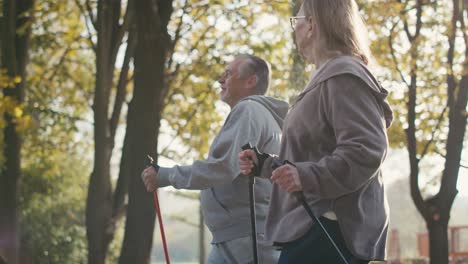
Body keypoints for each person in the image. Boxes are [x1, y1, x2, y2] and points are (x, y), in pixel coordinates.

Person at [239, 1, 394, 263]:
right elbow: (312, 155)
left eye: (296, 20)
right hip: (314, 225)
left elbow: (365, 150)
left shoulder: (344, 74)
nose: (294, 28)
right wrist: (265, 165)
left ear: (312, 25)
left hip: (328, 228)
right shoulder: (326, 77)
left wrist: (306, 176)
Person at [141, 54, 288, 264]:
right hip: (242, 237)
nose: (221, 80)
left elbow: (224, 167)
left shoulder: (249, 110)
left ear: (250, 81)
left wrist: (165, 175)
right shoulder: (260, 115)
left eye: (228, 74)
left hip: (244, 239)